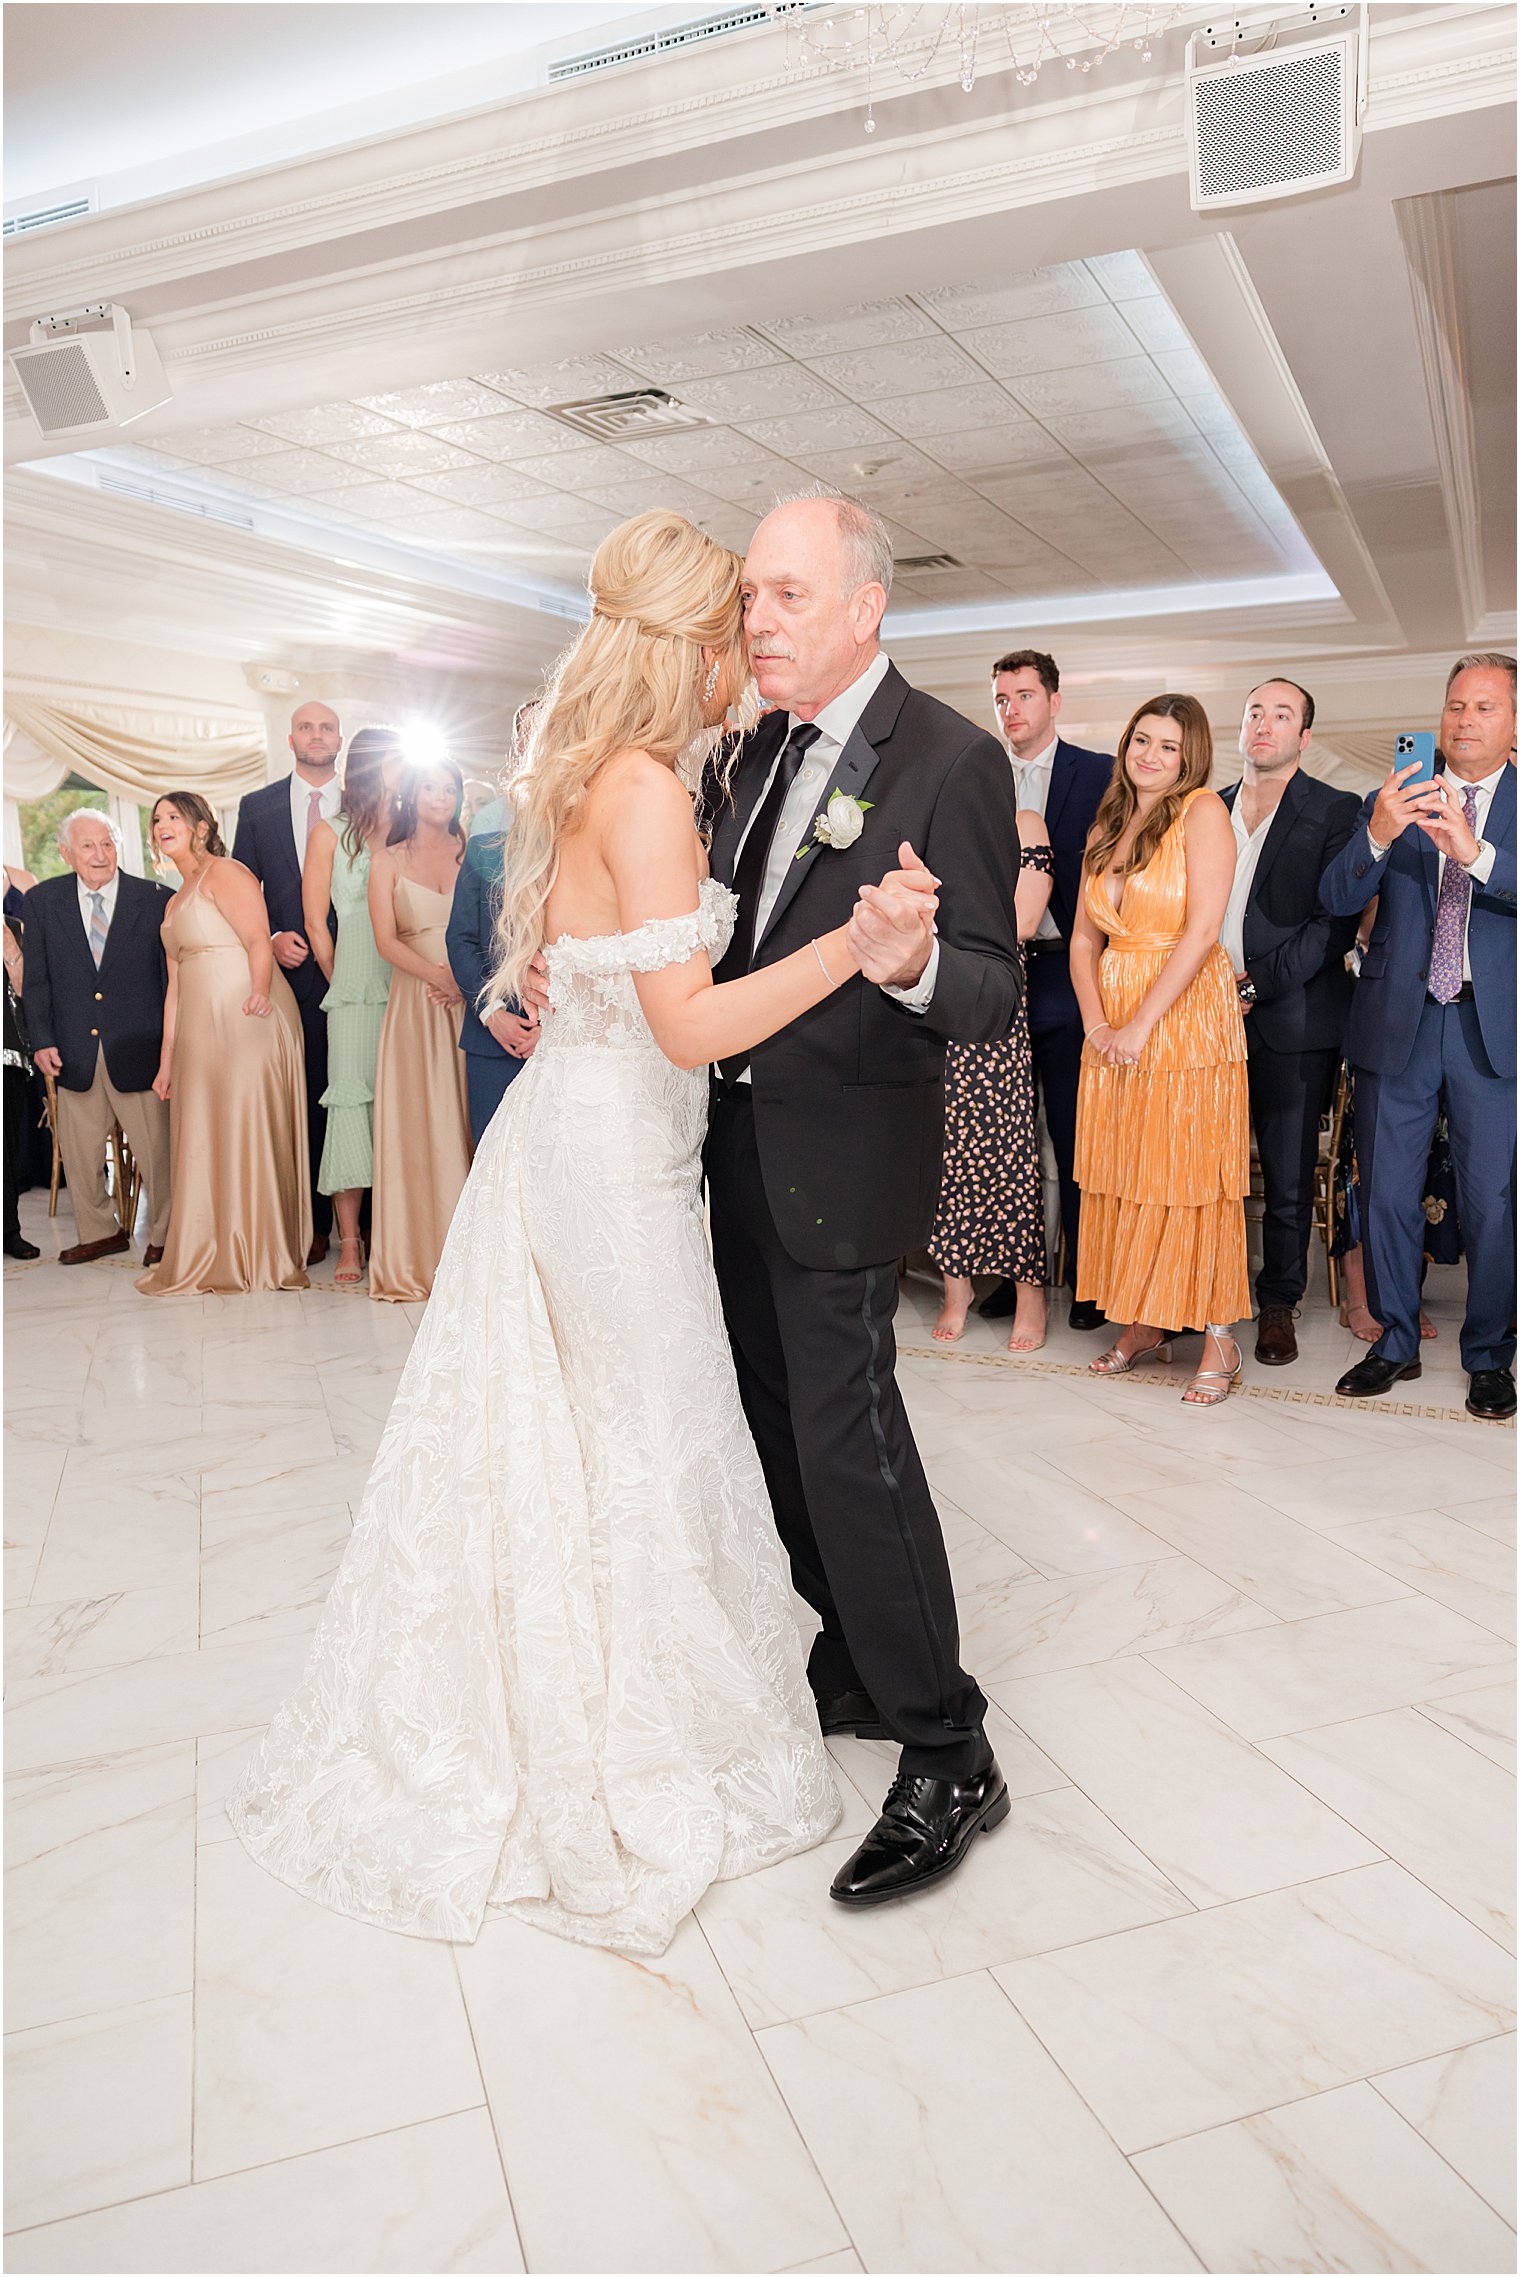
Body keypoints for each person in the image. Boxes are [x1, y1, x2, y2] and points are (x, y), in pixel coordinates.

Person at [229, 508, 930, 1954]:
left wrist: (523, 991)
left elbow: (550, 967)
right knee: (644, 1430)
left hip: (569, 1140)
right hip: (617, 1160)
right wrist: (848, 949)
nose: (751, 652)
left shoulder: (578, 776)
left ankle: (572, 1692)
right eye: (734, 630)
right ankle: (630, 1735)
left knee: (578, 1434)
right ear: (687, 646)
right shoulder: (653, 795)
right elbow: (687, 1027)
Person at [695, 490, 1019, 1908]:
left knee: (849, 1444)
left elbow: (992, 990)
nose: (757, 620)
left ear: (866, 605)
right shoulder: (755, 750)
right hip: (728, 1154)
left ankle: (948, 1745)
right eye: (753, 598)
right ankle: (851, 1659)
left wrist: (902, 962)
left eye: (786, 595)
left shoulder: (948, 756)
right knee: (770, 1428)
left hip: (845, 1161)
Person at [1322, 654, 1516, 1418]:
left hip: (1491, 1026)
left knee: (1492, 1201)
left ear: (1513, 723)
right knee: (1390, 1195)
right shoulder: (1396, 793)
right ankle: (1394, 1340)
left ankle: (1490, 1355)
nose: (1465, 721)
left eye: (1484, 708)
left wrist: (1476, 854)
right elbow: (1336, 894)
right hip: (1398, 1022)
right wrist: (1375, 834)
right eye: (1455, 706)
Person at [1071, 694, 1250, 1405]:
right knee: (1129, 1170)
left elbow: (1203, 928)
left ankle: (1218, 1337)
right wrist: (1095, 1024)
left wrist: (1141, 1023)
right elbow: (1085, 939)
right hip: (1110, 1017)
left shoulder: (1202, 809)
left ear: (1191, 756)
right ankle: (1146, 1319)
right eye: (1141, 739)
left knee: (1188, 1171)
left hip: (1182, 1017)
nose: (1148, 754)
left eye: (1167, 745)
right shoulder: (1110, 819)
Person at [1220, 679, 1361, 1365]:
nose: (1264, 724)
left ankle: (1278, 1304)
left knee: (1285, 1174)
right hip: (1206, 1022)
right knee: (1207, 1170)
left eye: (1282, 715)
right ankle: (1208, 1295)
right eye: (1255, 712)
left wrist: (1254, 983)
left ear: (1304, 737)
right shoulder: (1207, 807)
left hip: (1294, 1019)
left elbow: (1332, 926)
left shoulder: (1334, 810)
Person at [977, 651, 1113, 1330]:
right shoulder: (978, 775)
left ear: (1054, 701)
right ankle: (1012, 1273)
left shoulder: (1101, 773)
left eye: (1025, 696)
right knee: (1006, 1136)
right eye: (1002, 699)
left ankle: (1088, 1277)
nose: (1012, 711)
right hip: (996, 974)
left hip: (1067, 971)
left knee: (1073, 1131)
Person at [138, 795, 312, 1296]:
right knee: (205, 1132)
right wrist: (167, 1061)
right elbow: (173, 988)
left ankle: (257, 1249)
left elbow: (259, 940)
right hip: (199, 1030)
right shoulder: (175, 900)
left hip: (245, 1015)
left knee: (245, 1124)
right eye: (157, 820)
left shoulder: (228, 873)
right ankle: (212, 1246)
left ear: (201, 826)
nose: (163, 825)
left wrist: (259, 992)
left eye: (173, 817)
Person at [20, 810, 173, 1266]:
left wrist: (171, 1050)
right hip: (72, 1050)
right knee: (81, 1156)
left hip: (140, 1049)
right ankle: (99, 1232)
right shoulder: (43, 901)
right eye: (87, 846)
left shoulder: (156, 898)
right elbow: (38, 981)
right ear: (66, 853)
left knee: (158, 1154)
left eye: (107, 843)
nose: (99, 854)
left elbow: (170, 982)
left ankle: (165, 1234)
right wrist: (42, 1040)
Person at [929, 809, 1054, 1348]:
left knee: (1008, 1147)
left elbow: (1024, 921)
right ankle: (955, 1289)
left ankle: (1030, 1291)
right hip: (936, 994)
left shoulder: (1025, 824)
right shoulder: (936, 822)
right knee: (943, 1148)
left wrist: (946, 910)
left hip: (996, 998)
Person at [232, 700, 343, 1263]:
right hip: (290, 977)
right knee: (307, 1100)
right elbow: (240, 889)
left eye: (326, 727)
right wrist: (272, 938)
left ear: (339, 739)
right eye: (306, 727)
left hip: (359, 972)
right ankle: (314, 1224)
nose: (316, 735)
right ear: (291, 737)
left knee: (358, 1095)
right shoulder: (257, 807)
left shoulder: (365, 806)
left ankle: (367, 1222)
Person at [366, 758, 473, 1301]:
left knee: (468, 1116)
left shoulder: (474, 850)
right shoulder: (385, 861)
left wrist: (465, 982)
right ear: (412, 796)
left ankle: (473, 1258)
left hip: (473, 997)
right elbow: (385, 941)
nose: (441, 795)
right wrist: (437, 975)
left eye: (450, 787)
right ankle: (418, 1254)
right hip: (417, 999)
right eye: (430, 787)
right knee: (421, 1118)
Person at [302, 727, 403, 1287]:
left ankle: (402, 1229)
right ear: (370, 766)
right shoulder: (330, 833)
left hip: (409, 982)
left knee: (403, 1106)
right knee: (350, 1108)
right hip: (355, 983)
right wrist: (340, 977)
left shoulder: (414, 825)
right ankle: (349, 1240)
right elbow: (316, 919)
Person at [446, 788, 538, 1147]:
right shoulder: (483, 848)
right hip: (491, 1046)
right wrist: (492, 1012)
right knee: (491, 1163)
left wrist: (555, 1026)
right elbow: (460, 939)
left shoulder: (580, 852)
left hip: (562, 1043)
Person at [4, 915, 38, 1259]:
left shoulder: (13, 928)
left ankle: (8, 1231)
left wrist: (8, 944)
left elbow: (29, 989)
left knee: (7, 1148)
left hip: (7, 1053)